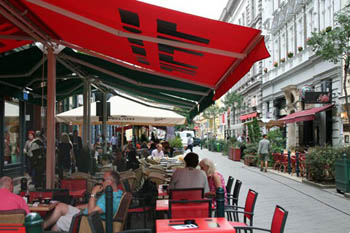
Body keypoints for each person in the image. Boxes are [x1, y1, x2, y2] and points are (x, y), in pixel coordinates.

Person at [43, 171, 123, 231]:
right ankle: (39, 228)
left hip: (88, 222)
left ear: (109, 182)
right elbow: (97, 205)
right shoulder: (116, 193)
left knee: (59, 222)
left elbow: (91, 213)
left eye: (103, 180)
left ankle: (39, 229)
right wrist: (79, 207)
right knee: (60, 206)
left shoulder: (111, 199)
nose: (101, 182)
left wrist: (93, 193)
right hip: (84, 215)